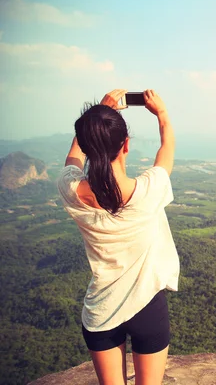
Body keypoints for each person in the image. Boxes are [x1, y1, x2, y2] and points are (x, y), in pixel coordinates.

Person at [57, 89, 179, 385]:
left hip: (101, 310)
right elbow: (166, 150)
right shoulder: (148, 191)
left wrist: (96, 118)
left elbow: (73, 158)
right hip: (147, 306)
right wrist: (161, 113)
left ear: (87, 146)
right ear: (125, 145)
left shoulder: (70, 190)